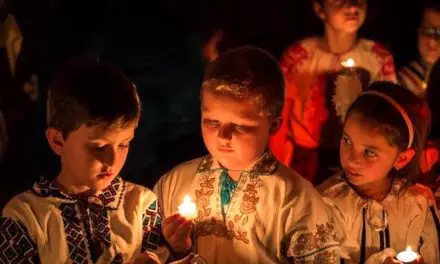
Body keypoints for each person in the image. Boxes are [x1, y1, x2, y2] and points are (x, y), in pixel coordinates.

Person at [154, 46, 345, 263]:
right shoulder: (174, 183)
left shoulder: (295, 199)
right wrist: (179, 250)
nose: (223, 136)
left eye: (240, 126)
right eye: (212, 122)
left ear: (273, 125)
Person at [0, 58, 191, 263]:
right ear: (58, 141)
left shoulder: (141, 206)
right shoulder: (25, 217)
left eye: (124, 144)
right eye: (98, 147)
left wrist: (179, 250)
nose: (112, 159)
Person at [270, 0, 397, 185]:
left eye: (359, 0)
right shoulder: (299, 56)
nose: (352, 8)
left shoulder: (377, 57)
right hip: (305, 165)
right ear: (320, 8)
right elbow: (281, 116)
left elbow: (389, 118)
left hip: (359, 164)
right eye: (340, 1)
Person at [318, 81, 439, 263]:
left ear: (402, 158)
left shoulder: (417, 206)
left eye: (369, 152)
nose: (352, 159)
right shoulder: (326, 204)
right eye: (347, 140)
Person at [399, 1, 440, 97]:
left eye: (439, 33)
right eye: (427, 30)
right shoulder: (400, 80)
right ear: (419, 32)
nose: (432, 40)